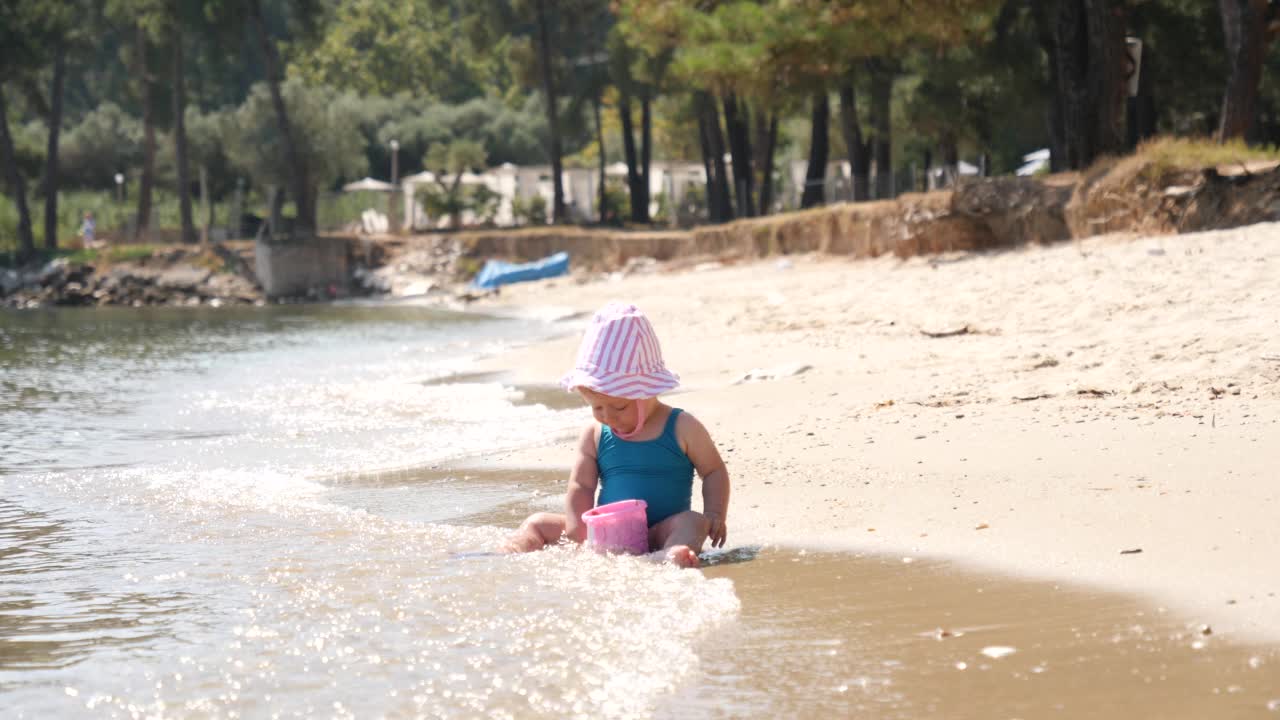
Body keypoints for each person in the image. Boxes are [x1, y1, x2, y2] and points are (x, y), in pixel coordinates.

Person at [506, 302, 730, 568]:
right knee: (537, 523)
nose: (608, 416)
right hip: (605, 533)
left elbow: (714, 471)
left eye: (620, 407)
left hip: (660, 531)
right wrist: (580, 529)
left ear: (647, 390)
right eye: (596, 407)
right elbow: (581, 485)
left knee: (693, 522)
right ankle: (508, 555)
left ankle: (668, 555)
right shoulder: (594, 433)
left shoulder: (682, 426)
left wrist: (715, 513)